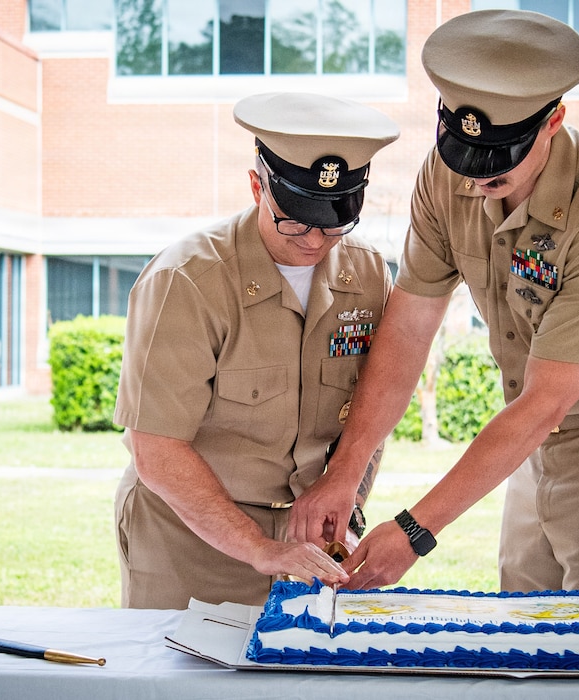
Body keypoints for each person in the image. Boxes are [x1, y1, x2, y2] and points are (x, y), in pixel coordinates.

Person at [288, 10, 579, 607]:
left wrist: (413, 531)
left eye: (499, 159)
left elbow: (545, 400)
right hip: (530, 440)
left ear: (553, 120)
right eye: (463, 154)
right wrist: (346, 477)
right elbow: (409, 328)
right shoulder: (448, 174)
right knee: (523, 626)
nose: (478, 178)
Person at [113, 92, 400, 609]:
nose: (315, 240)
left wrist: (346, 502)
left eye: (334, 222)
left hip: (310, 542)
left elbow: (372, 404)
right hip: (190, 537)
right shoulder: (188, 280)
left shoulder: (369, 273)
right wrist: (259, 549)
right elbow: (155, 449)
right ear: (256, 186)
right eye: (295, 219)